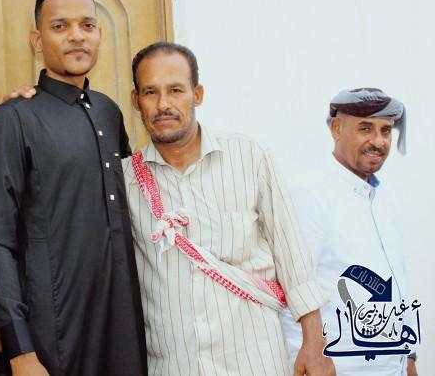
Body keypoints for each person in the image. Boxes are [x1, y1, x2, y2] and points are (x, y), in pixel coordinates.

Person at [123, 41, 334, 376]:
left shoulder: (251, 158)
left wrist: (314, 344)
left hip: (254, 362)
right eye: (151, 92)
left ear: (197, 94)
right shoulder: (125, 180)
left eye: (176, 90)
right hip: (174, 365)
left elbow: (293, 256)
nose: (163, 104)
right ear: (136, 100)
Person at [0, 0, 146, 376]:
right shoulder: (13, 119)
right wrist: (20, 350)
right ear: (37, 40)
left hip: (123, 329)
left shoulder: (109, 112)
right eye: (60, 26)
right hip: (55, 337)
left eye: (87, 25)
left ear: (99, 35)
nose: (76, 36)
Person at [280, 88, 418, 376]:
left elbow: (397, 286)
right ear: (336, 128)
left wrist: (408, 356)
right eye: (365, 128)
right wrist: (307, 359)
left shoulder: (383, 200)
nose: (378, 141)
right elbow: (292, 289)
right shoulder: (309, 195)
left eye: (385, 130)